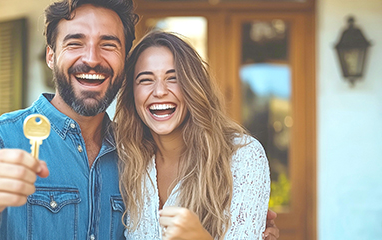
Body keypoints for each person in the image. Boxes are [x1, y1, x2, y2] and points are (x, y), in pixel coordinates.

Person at [0, 0, 280, 239]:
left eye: (108, 44)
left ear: (123, 61)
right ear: (51, 55)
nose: (91, 58)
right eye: (75, 42)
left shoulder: (133, 152)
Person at [114, 31, 271, 239]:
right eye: (145, 80)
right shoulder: (125, 158)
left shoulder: (242, 157)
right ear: (131, 94)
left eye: (173, 78)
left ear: (192, 86)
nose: (159, 91)